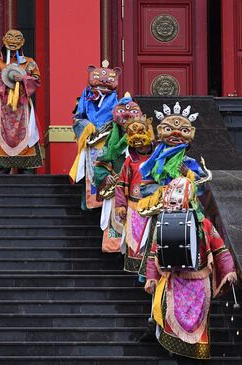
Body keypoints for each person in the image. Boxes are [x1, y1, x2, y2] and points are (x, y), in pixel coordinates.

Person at [144, 176, 237, 359]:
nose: (174, 196)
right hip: (174, 279)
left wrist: (229, 270)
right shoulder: (162, 224)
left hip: (199, 284)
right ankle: (175, 350)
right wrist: (152, 277)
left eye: (179, 192)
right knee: (170, 315)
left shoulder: (204, 225)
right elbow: (155, 253)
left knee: (199, 319)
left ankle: (196, 353)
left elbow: (220, 249)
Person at [0, 29, 43, 174]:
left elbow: (37, 80)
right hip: (3, 106)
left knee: (26, 133)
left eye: (17, 38)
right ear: (4, 41)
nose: (13, 42)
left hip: (22, 106)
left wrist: (24, 79)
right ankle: (4, 166)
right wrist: (3, 78)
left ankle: (25, 167)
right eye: (10, 38)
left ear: (22, 43)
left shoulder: (29, 63)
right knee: (2, 134)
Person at [68, 60, 121, 209]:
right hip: (91, 142)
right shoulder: (86, 96)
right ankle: (90, 203)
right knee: (90, 173)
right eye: (98, 77)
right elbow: (78, 117)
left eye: (109, 79)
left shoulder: (116, 100)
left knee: (109, 172)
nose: (103, 82)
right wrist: (87, 127)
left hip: (109, 141)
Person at [93, 94, 142, 252]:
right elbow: (101, 163)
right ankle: (116, 250)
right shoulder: (111, 141)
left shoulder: (147, 140)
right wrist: (107, 177)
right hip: (117, 189)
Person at [115, 115, 155, 273]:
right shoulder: (130, 161)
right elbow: (121, 183)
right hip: (135, 206)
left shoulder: (158, 157)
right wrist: (120, 205)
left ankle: (151, 272)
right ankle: (138, 273)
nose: (137, 140)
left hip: (154, 205)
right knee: (136, 241)